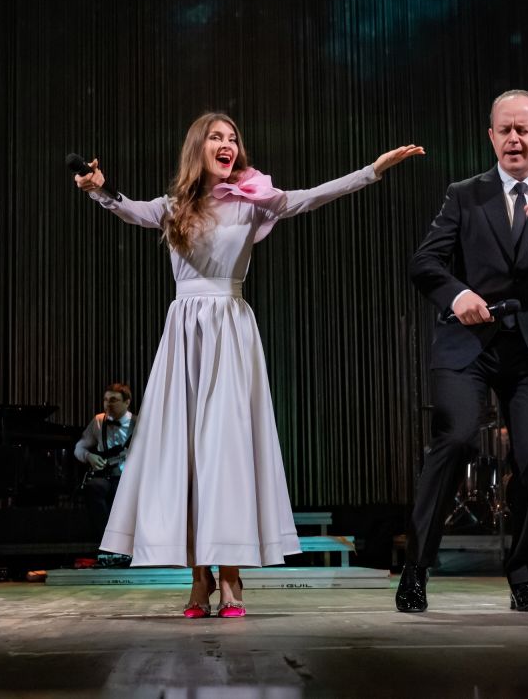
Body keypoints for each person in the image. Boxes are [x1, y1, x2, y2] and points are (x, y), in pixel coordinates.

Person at [75, 112, 423, 617]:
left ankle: (231, 576)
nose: (227, 144)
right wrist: (99, 190)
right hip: (185, 335)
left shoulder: (253, 201)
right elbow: (127, 209)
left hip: (230, 331)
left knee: (227, 454)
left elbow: (311, 197)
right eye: (216, 137)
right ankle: (199, 580)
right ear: (198, 147)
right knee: (189, 455)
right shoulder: (173, 207)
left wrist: (372, 171)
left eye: (233, 138)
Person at [401, 89, 528, 613]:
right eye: (505, 130)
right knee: (456, 439)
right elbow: (425, 262)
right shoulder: (464, 195)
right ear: (491, 137)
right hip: (469, 343)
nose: (514, 138)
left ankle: (524, 578)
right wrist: (458, 295)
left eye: (523, 129)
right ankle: (417, 568)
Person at [75, 383, 135, 545]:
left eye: (113, 400)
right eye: (106, 400)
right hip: (105, 475)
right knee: (93, 487)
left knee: (121, 492)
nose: (108, 404)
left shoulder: (138, 423)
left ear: (127, 402)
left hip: (128, 478)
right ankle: (104, 540)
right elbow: (79, 447)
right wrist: (89, 456)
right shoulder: (98, 421)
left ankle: (123, 542)